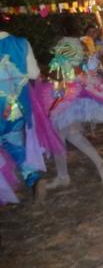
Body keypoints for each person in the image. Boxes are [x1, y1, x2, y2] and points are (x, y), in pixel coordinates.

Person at [42, 34, 103, 189]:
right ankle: (100, 163)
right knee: (74, 136)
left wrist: (47, 77)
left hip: (64, 104)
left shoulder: (61, 63)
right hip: (71, 103)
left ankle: (63, 177)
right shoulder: (77, 66)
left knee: (59, 140)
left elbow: (58, 83)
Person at [0, 23, 49, 202]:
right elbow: (34, 74)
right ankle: (33, 178)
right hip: (15, 109)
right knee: (15, 145)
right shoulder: (21, 43)